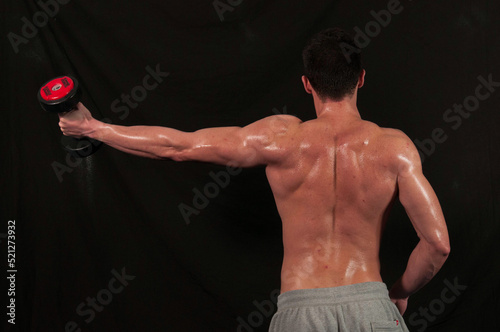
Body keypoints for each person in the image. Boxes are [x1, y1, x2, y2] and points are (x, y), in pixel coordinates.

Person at [58, 28, 450, 331]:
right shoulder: (394, 148)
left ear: (307, 83)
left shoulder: (281, 138)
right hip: (371, 309)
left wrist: (94, 128)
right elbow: (437, 245)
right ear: (361, 79)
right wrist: (397, 293)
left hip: (301, 313)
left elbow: (180, 146)